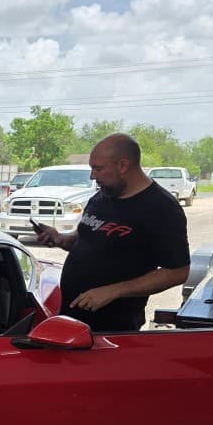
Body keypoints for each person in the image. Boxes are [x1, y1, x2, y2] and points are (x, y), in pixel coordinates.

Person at [35, 134, 190, 332]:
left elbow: (178, 272)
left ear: (123, 166)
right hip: (72, 316)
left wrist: (114, 291)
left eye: (98, 169)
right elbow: (87, 239)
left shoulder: (161, 208)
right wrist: (60, 239)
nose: (92, 176)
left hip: (114, 327)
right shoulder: (102, 196)